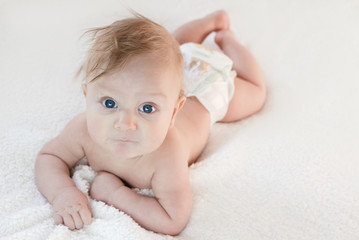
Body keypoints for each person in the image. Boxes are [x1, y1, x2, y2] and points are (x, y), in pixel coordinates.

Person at [35, 10, 266, 235]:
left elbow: (173, 219)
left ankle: (227, 39)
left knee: (255, 93)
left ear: (174, 112)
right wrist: (62, 192)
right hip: (158, 76)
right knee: (173, 48)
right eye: (109, 103)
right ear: (87, 97)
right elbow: (50, 157)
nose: (125, 123)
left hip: (206, 89)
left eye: (147, 108)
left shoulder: (167, 154)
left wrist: (116, 194)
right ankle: (209, 21)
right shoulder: (82, 129)